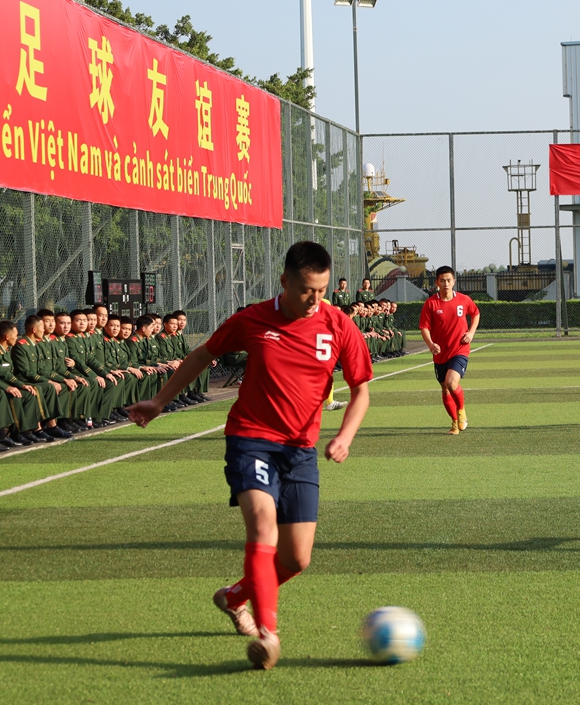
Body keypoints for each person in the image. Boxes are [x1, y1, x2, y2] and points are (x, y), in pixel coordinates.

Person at [129, 241, 373, 671]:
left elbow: (361, 391)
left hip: (300, 451)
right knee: (263, 528)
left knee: (297, 558)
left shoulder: (339, 325)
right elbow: (204, 354)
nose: (315, 300)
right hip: (250, 439)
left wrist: (345, 437)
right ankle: (267, 634)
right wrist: (159, 402)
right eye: (305, 290)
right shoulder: (253, 319)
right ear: (284, 281)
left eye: (322, 290)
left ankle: (234, 596)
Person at [419, 266, 480, 435]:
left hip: (459, 349)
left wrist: (471, 333)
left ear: (454, 281)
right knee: (445, 388)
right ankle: (454, 423)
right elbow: (424, 327)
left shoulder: (463, 300)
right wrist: (431, 344)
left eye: (449, 280)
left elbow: (475, 314)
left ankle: (461, 412)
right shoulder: (431, 303)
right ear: (437, 282)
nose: (446, 283)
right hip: (440, 353)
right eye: (442, 280)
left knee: (452, 383)